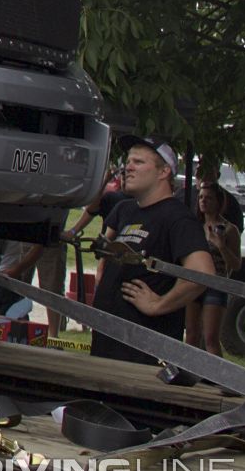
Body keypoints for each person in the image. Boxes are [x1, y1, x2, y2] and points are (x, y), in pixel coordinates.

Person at [89, 140, 215, 364]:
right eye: (128, 161)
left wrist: (158, 304)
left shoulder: (177, 217)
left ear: (164, 172)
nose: (128, 167)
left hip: (143, 355)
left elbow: (202, 273)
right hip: (106, 344)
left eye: (138, 162)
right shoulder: (125, 210)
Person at [188, 179, 243, 357]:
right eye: (201, 197)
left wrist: (221, 246)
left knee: (210, 338)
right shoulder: (195, 226)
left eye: (209, 198)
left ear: (218, 202)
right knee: (191, 334)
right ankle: (187, 369)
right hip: (194, 282)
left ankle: (216, 372)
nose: (203, 201)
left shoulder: (229, 229)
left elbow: (236, 264)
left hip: (216, 284)